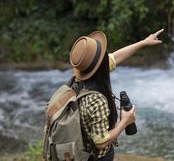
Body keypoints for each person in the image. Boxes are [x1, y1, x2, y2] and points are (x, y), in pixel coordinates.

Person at [69, 29, 164, 160]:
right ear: (100, 66)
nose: (108, 56)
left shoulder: (78, 80)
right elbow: (100, 142)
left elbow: (115, 57)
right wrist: (125, 121)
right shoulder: (96, 99)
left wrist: (143, 43)